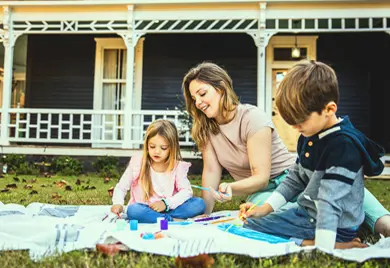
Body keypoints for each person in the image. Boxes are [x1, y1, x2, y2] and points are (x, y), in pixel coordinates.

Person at [182, 61, 390, 237]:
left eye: (202, 93)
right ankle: (335, 225)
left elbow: (261, 176)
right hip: (262, 194)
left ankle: (376, 223)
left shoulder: (251, 118)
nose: (198, 102)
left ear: (221, 88)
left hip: (295, 176)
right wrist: (206, 215)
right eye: (193, 98)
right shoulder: (206, 129)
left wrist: (232, 188)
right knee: (265, 215)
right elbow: (210, 171)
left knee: (352, 195)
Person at [239, 60, 386, 249]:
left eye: (300, 122)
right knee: (253, 221)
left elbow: (329, 201)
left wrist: (324, 248)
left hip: (335, 225)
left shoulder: (343, 146)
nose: (295, 129)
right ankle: (312, 239)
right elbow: (296, 178)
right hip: (310, 213)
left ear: (329, 109)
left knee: (253, 228)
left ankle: (326, 244)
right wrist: (264, 209)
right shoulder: (309, 135)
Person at [111, 119, 206, 223]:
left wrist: (166, 204)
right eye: (152, 146)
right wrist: (118, 203)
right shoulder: (138, 162)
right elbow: (122, 187)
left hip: (169, 208)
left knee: (199, 204)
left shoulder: (177, 167)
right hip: (145, 209)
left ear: (172, 148)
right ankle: (172, 220)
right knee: (133, 210)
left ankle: (162, 218)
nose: (157, 151)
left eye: (163, 148)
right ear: (147, 144)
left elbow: (186, 191)